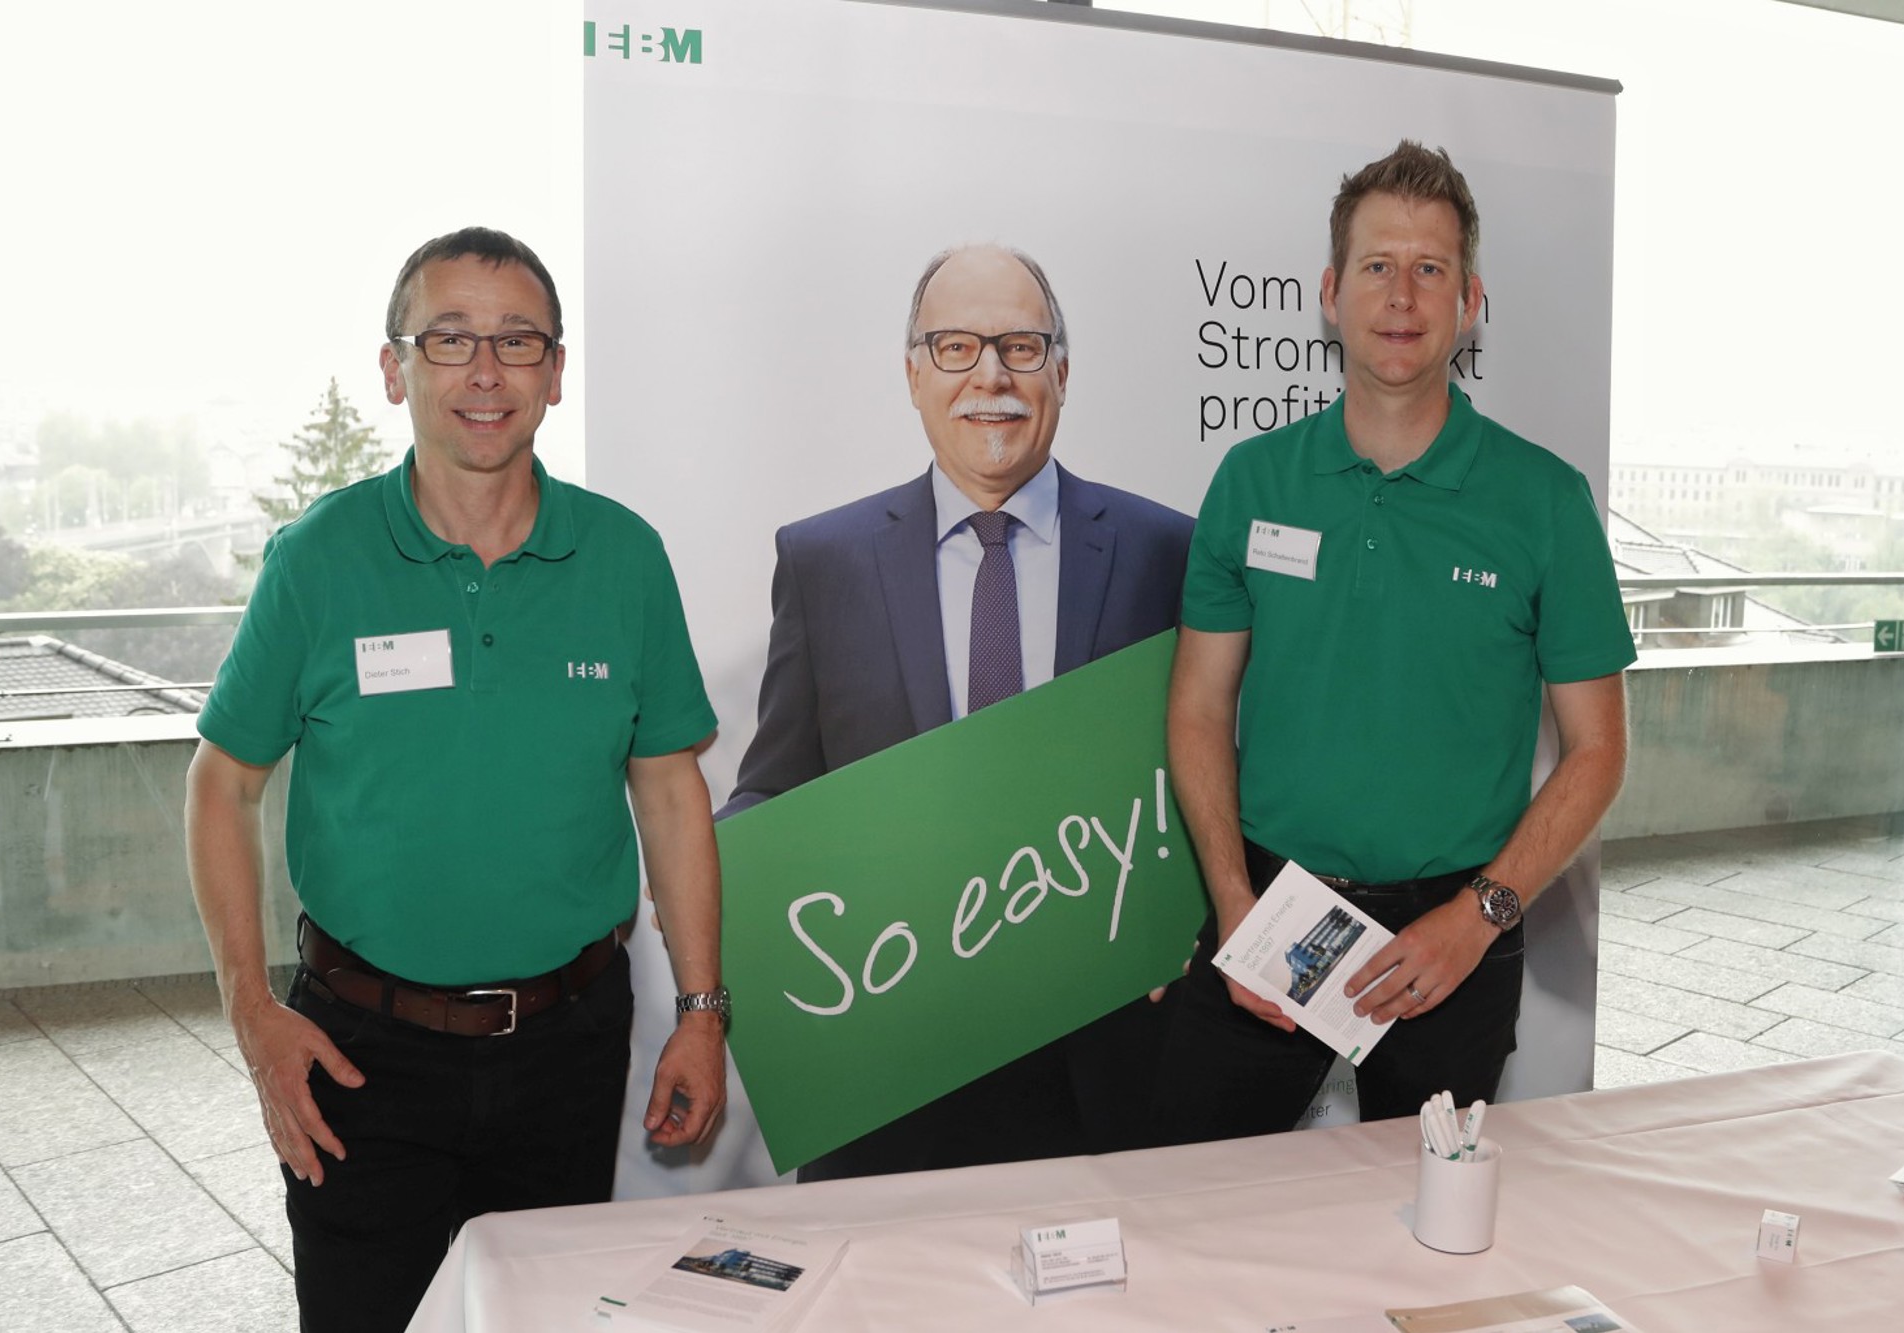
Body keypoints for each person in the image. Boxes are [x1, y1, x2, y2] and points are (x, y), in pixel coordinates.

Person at [185, 227, 728, 1332]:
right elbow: (220, 786)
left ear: (555, 373)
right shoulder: (318, 559)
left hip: (569, 1045)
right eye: (449, 339)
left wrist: (704, 1010)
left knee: (547, 1320)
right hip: (359, 1051)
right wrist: (251, 1014)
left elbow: (672, 795)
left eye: (517, 341)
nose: (486, 370)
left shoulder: (624, 558)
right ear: (396, 369)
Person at [1154, 141, 1634, 1141]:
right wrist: (1233, 902)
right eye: (1376, 265)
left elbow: (1598, 750)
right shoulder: (1251, 481)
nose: (1402, 295)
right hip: (1272, 904)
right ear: (1331, 294)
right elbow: (1198, 706)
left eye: (1430, 269)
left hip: (1454, 929)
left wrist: (1479, 915)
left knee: (1428, 1213)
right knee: (1193, 1194)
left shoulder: (1545, 502)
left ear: (1470, 302)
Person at [722, 243, 1193, 1179]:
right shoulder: (823, 562)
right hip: (890, 1068)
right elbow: (773, 786)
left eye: (1021, 346)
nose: (991, 376)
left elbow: (1211, 778)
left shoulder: (1165, 550)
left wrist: (1195, 912)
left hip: (1105, 1067)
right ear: (913, 374)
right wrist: (710, 867)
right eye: (955, 347)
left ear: (1062, 371)